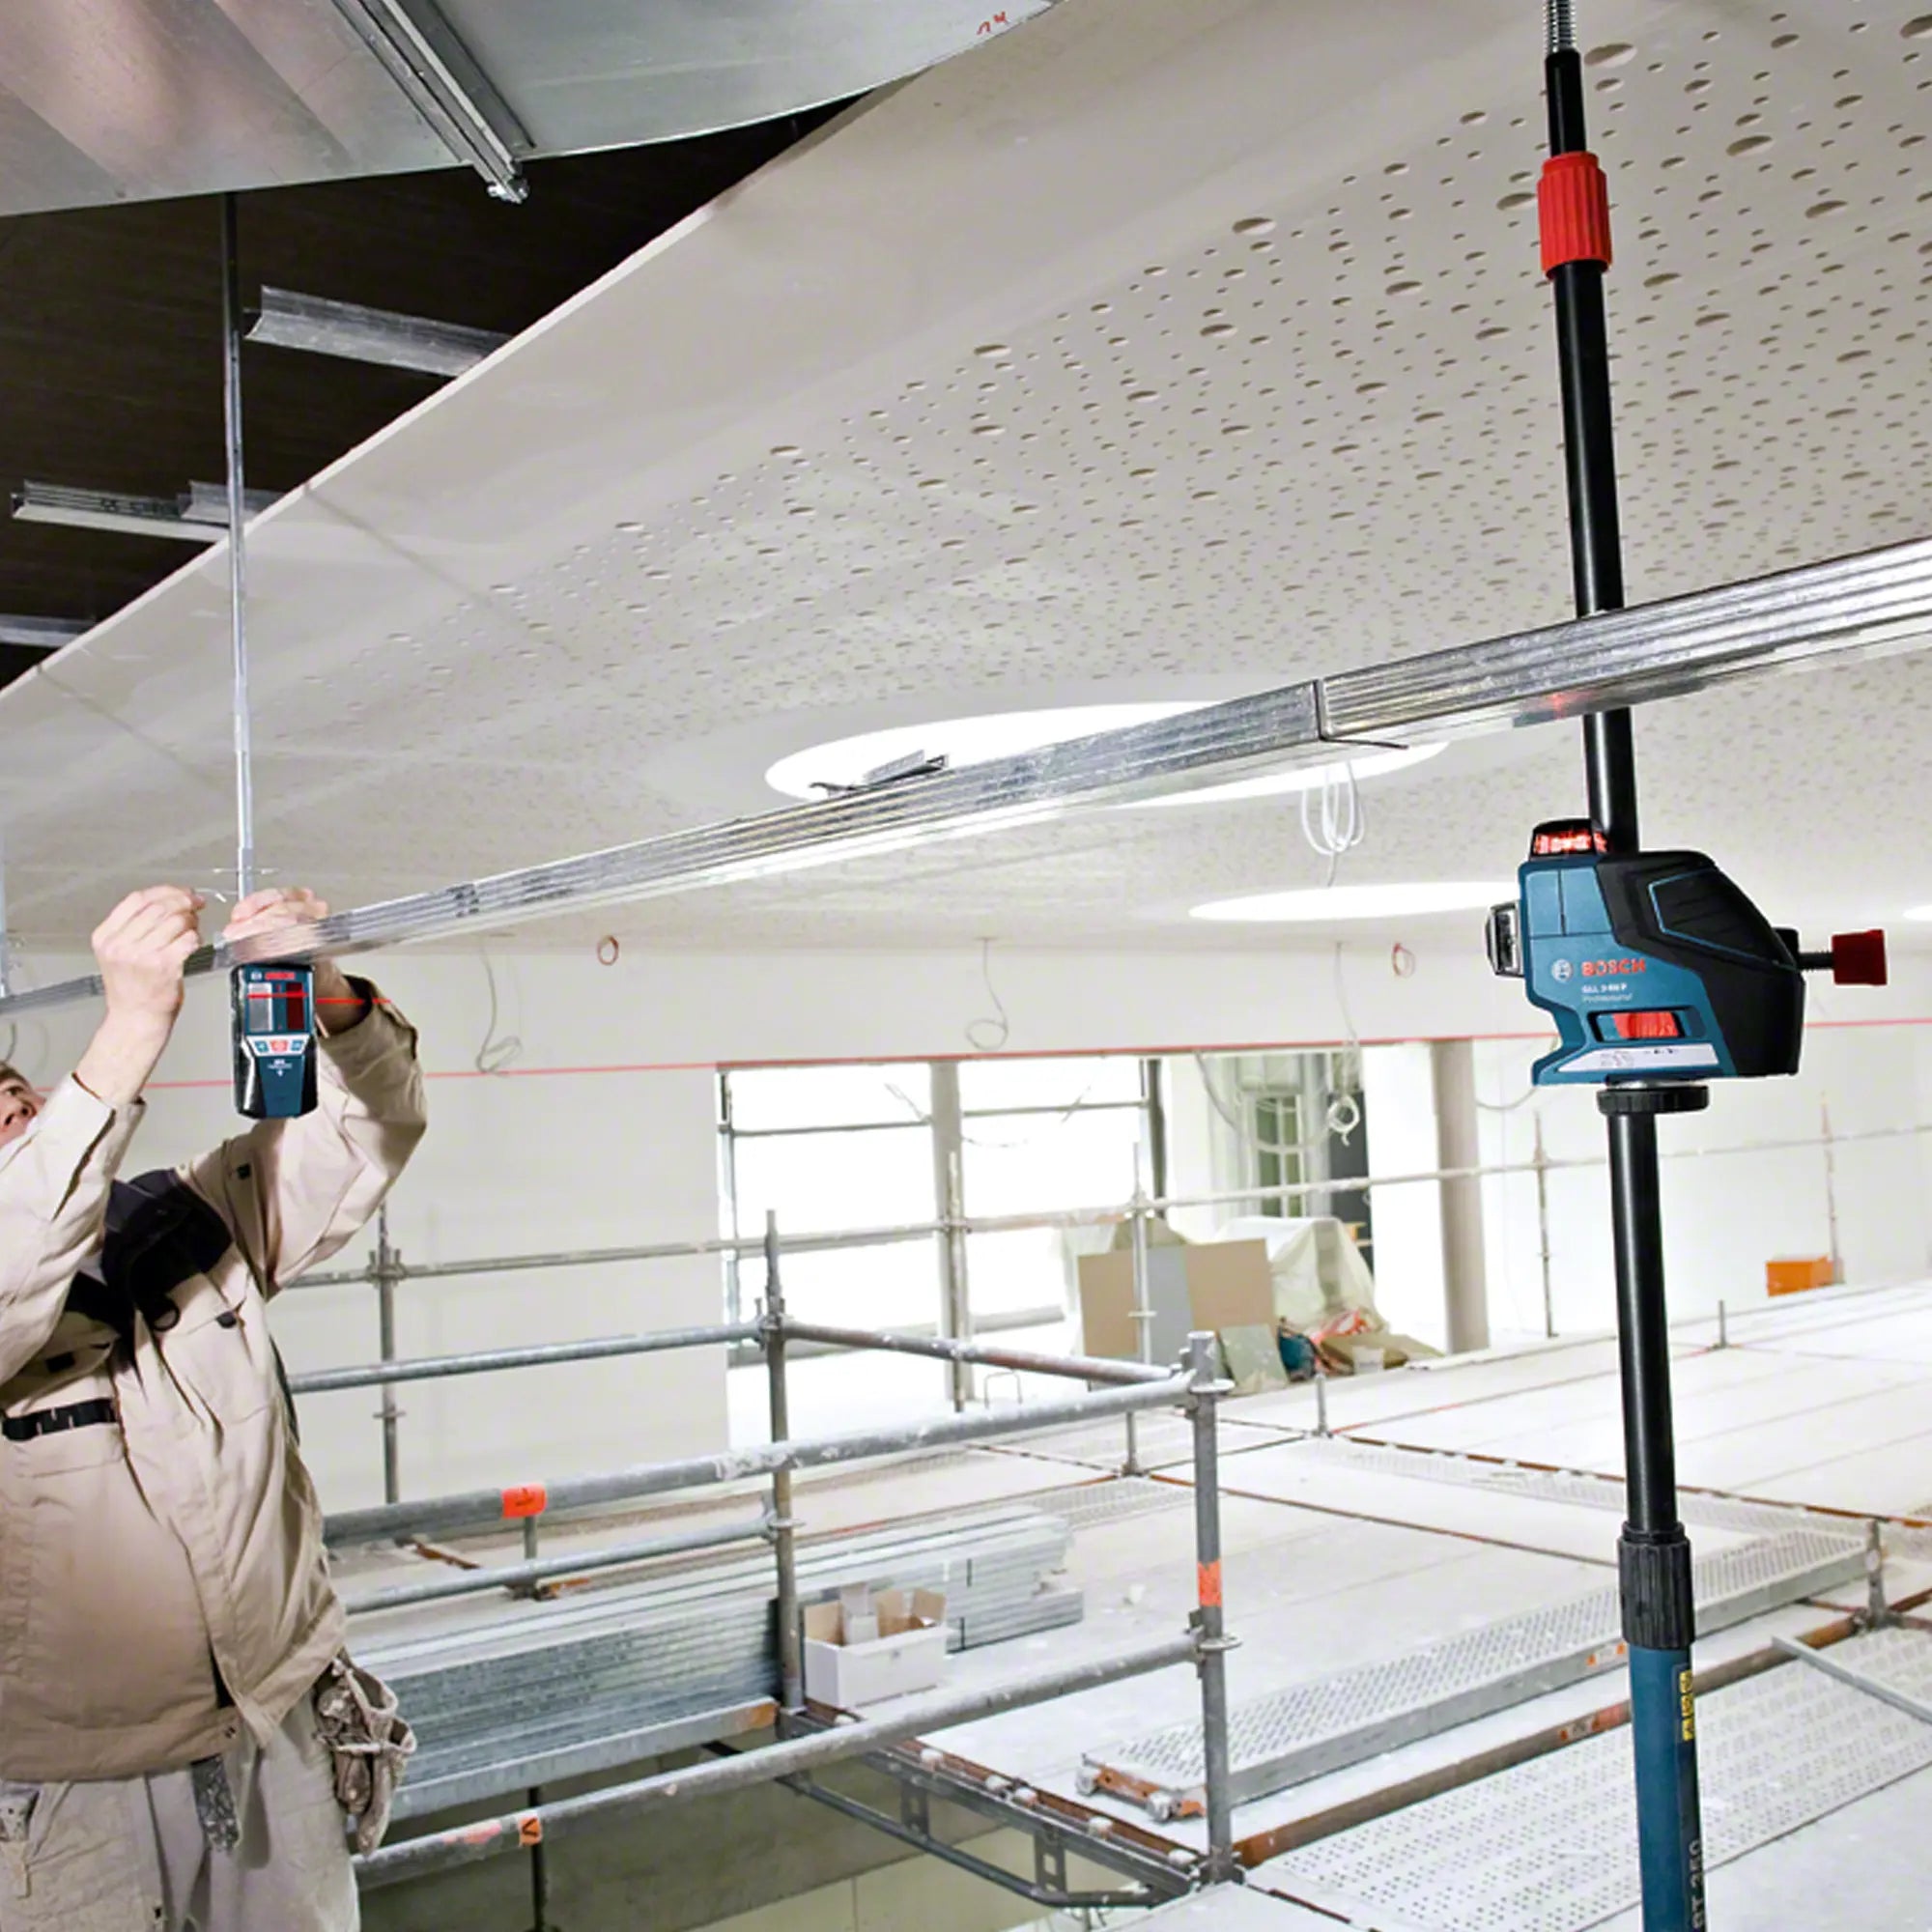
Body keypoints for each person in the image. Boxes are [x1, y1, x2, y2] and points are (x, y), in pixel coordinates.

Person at [0, 885, 426, 1932]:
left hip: (273, 1723)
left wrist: (321, 989)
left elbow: (369, 1130)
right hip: (72, 1786)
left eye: (17, 1091)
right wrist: (130, 1028)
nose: (13, 1106)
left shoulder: (179, 1222)